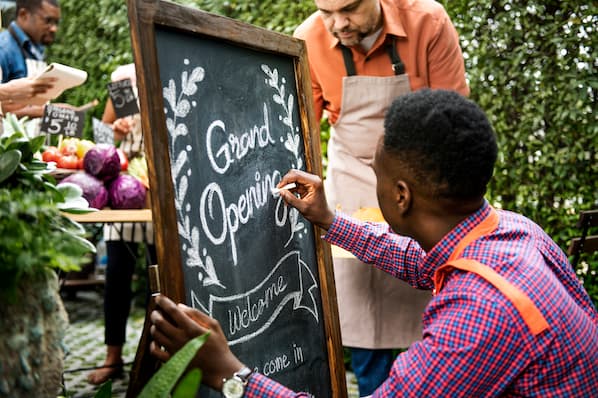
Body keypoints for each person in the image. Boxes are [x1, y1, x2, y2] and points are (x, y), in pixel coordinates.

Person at [149, 89, 598, 396]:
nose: (375, 186)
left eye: (376, 175)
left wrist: (227, 372)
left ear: (401, 195)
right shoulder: (513, 232)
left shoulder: (479, 314)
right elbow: (416, 259)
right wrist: (329, 219)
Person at [293, 0, 469, 394]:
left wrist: (435, 195)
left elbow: (454, 116)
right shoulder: (308, 39)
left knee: (433, 293)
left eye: (350, 9)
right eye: (325, 11)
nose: (338, 24)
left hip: (421, 179)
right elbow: (299, 128)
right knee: (361, 304)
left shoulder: (427, 21)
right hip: (353, 178)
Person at [87, 63, 156, 385]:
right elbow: (100, 135)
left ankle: (159, 357)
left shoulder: (169, 67)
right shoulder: (123, 79)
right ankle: (113, 358)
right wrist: (116, 131)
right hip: (124, 188)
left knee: (161, 279)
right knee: (116, 274)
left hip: (160, 193)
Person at [0, 0, 60, 119]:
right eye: (48, 21)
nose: (54, 28)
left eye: (56, 22)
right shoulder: (4, 49)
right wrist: (42, 112)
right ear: (23, 15)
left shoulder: (37, 49)